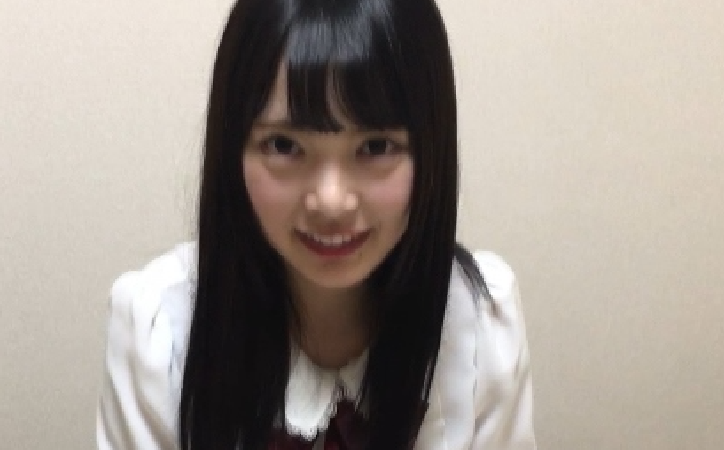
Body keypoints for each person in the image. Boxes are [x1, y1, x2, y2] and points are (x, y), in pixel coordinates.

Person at [97, 0, 536, 448]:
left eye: (376, 146)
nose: (331, 202)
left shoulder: (482, 323)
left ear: (431, 148)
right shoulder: (159, 333)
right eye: (284, 145)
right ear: (233, 150)